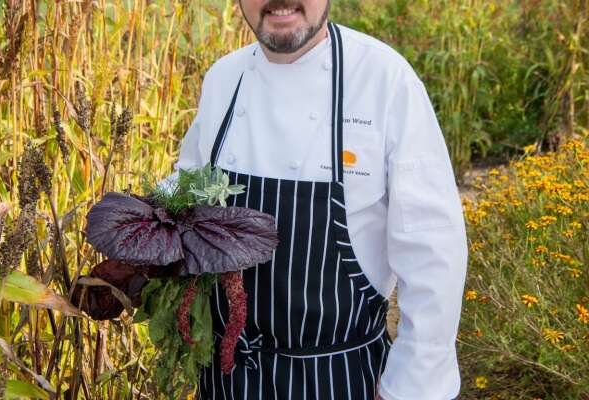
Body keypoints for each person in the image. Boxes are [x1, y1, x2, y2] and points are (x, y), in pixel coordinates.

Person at [168, 1, 468, 399]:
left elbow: (433, 251)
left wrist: (412, 389)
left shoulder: (383, 80)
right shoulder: (225, 77)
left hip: (339, 377)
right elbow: (185, 188)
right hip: (229, 378)